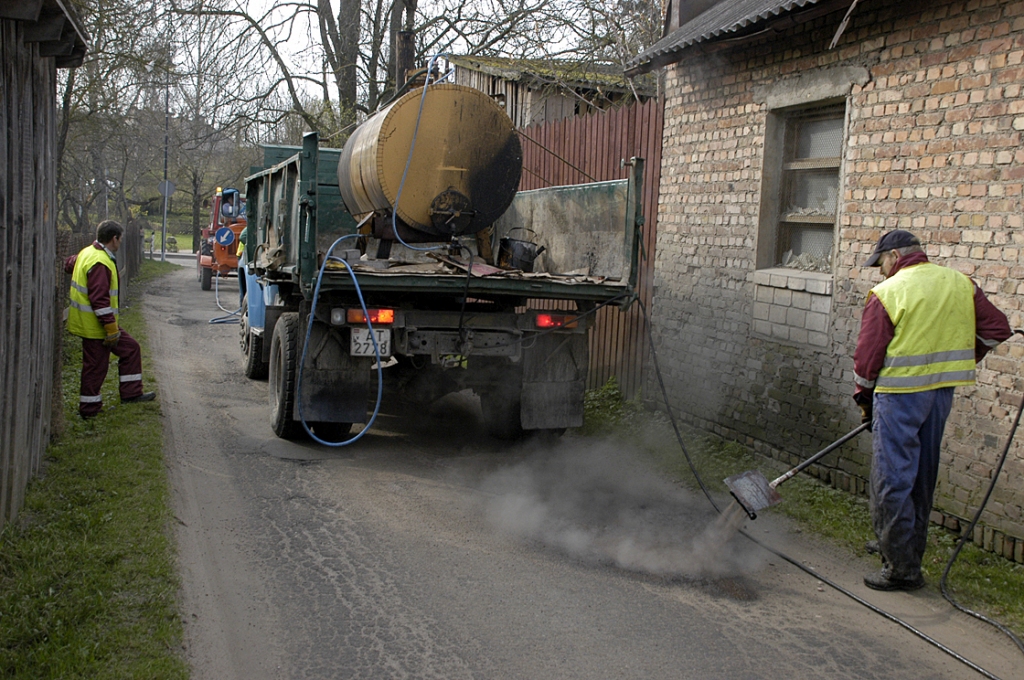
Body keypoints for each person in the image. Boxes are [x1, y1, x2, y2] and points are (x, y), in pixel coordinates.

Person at [853, 229, 1011, 591]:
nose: (880, 271)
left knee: (892, 477)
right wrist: (967, 355)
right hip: (939, 395)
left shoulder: (888, 293)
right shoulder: (960, 283)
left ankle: (901, 569)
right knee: (922, 475)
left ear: (894, 256)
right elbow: (996, 329)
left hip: (899, 395)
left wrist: (864, 396)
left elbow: (867, 359)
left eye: (881, 263)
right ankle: (902, 548)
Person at [66, 220, 156, 419]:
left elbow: (68, 264)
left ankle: (131, 393)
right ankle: (89, 411)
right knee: (96, 367)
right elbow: (100, 301)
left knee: (130, 348)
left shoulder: (87, 253)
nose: (121, 242)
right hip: (96, 327)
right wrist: (111, 329)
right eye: (120, 238)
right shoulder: (100, 262)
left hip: (99, 324)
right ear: (114, 238)